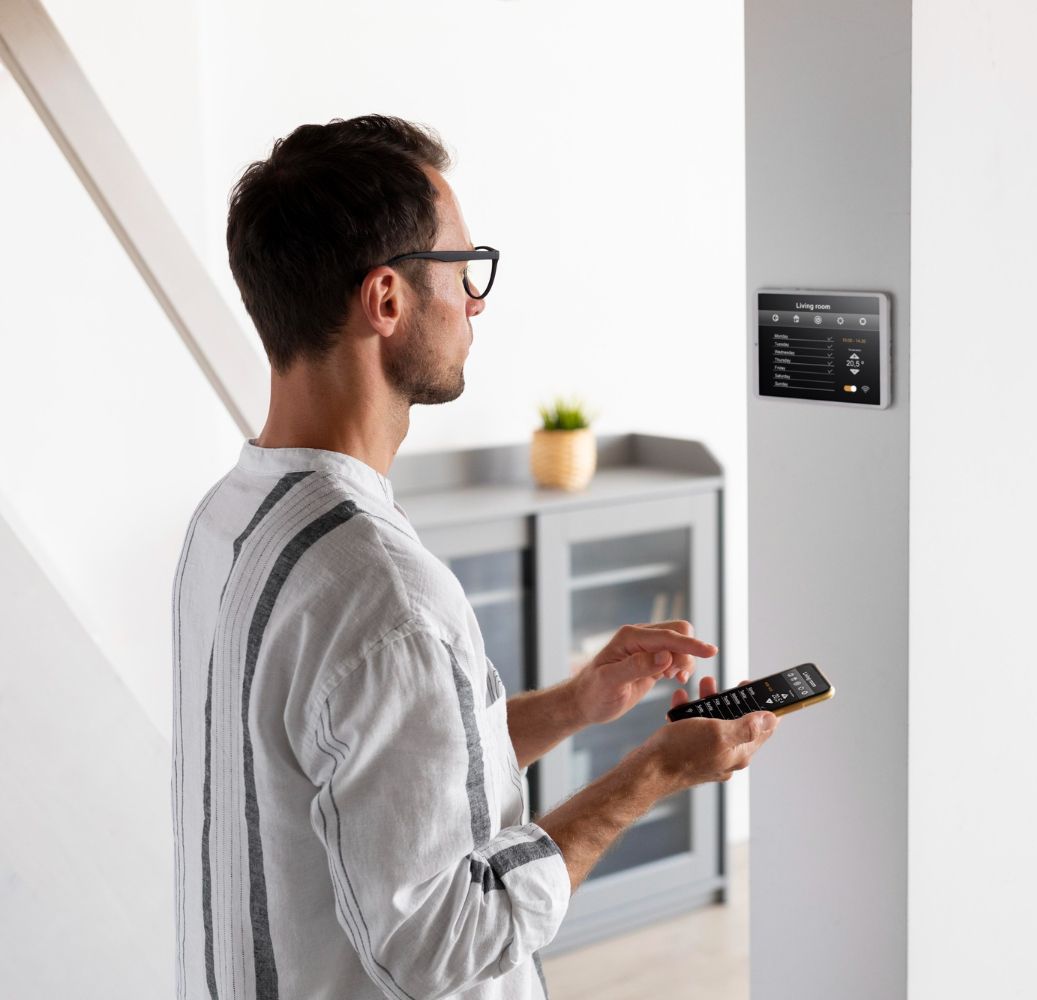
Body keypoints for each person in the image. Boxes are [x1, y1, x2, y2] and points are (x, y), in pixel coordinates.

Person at [171, 114, 778, 1000]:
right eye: (464, 268)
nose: (477, 300)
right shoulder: (383, 592)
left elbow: (364, 779)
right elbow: (446, 938)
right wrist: (656, 771)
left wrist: (576, 703)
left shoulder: (228, 520)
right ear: (387, 300)